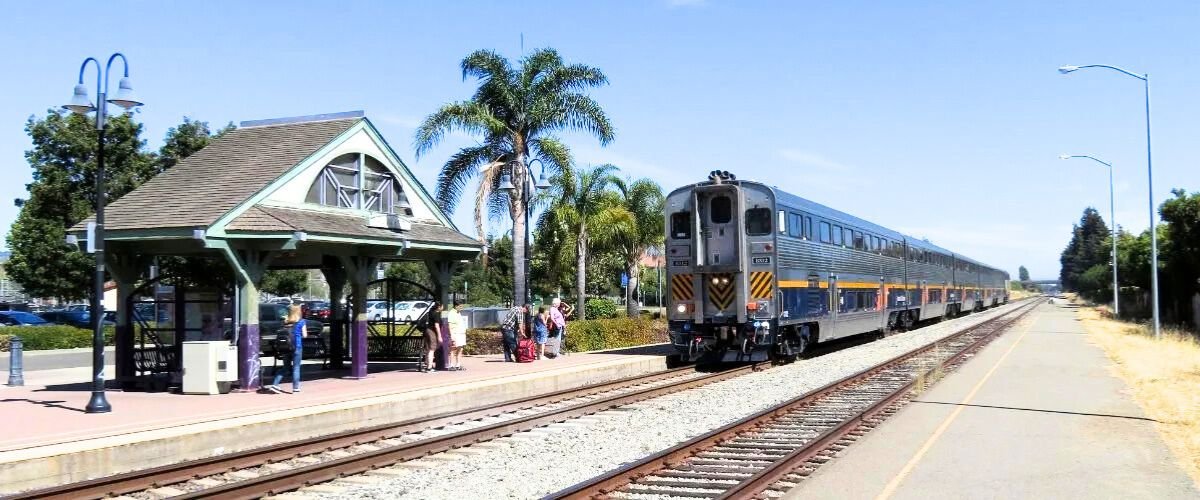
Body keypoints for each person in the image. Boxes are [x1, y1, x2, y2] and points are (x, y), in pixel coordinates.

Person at [267, 304, 306, 394]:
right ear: (298, 311)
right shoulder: (301, 321)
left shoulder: (286, 321)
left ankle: (275, 385)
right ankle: (295, 388)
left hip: (286, 347)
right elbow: (305, 335)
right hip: (297, 347)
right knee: (296, 368)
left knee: (285, 367)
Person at [446, 300, 468, 370]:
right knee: (452, 349)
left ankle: (458, 365)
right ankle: (451, 365)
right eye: (460, 306)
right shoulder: (451, 313)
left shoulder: (458, 313)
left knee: (460, 349)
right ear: (456, 306)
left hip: (461, 334)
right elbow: (450, 325)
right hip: (455, 333)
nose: (461, 308)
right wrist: (452, 335)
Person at [422, 302, 443, 372]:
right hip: (432, 332)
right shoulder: (436, 314)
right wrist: (439, 336)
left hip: (427, 331)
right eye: (442, 306)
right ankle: (429, 367)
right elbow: (437, 326)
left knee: (428, 349)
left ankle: (427, 365)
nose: (443, 308)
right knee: (432, 349)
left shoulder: (430, 312)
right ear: (439, 307)